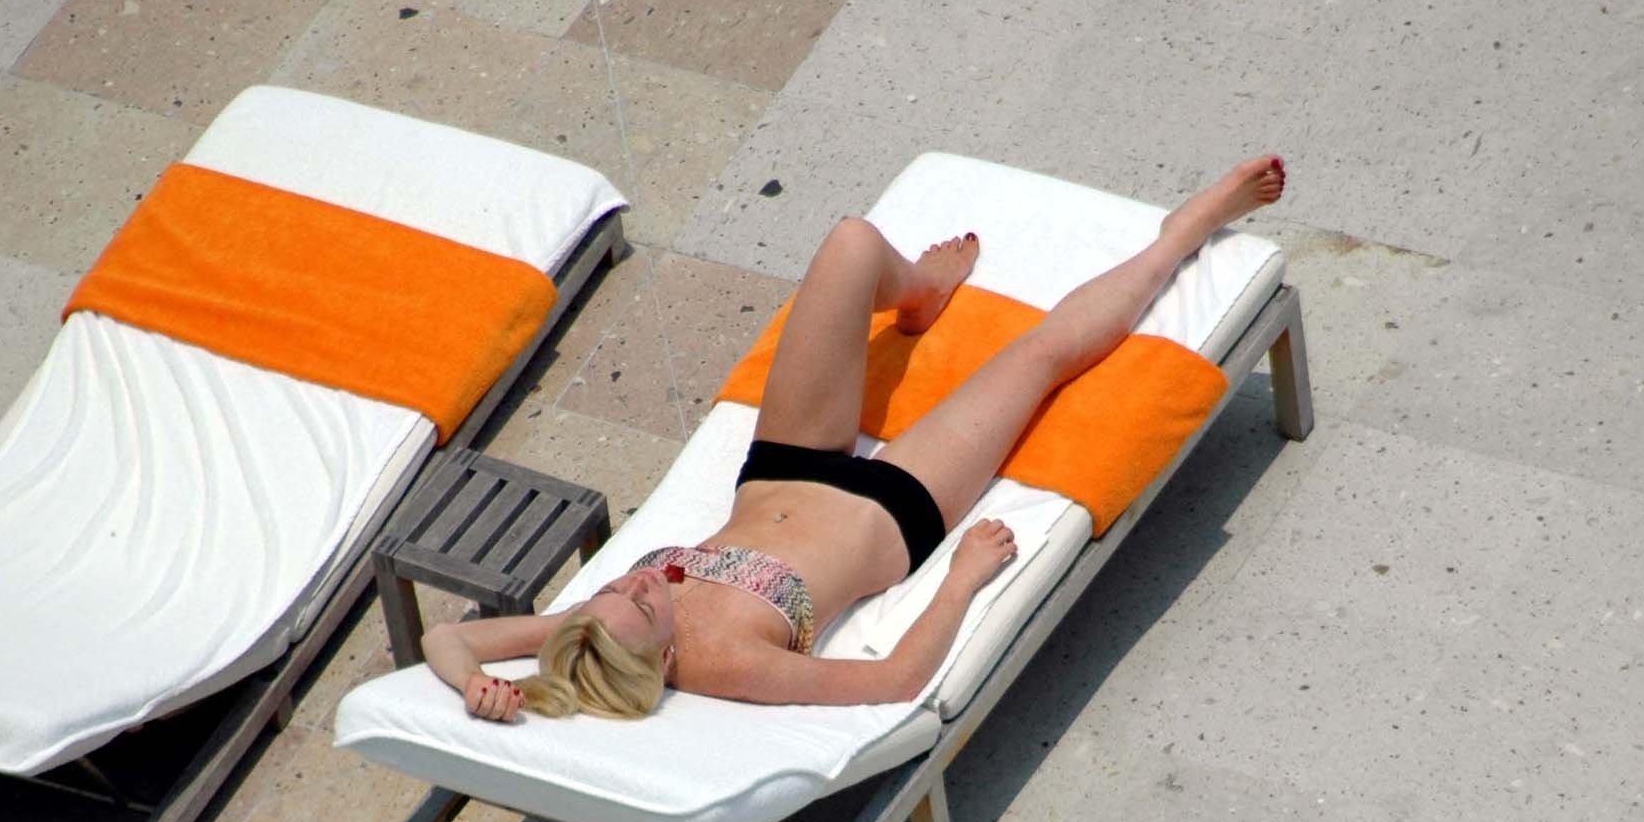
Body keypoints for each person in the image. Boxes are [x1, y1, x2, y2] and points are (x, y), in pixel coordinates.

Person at [424, 155, 1286, 720]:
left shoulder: (593, 622)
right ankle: (1184, 234)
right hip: (893, 507)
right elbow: (890, 682)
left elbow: (446, 640)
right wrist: (961, 579)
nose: (644, 581)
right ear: (655, 661)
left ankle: (917, 292)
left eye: (627, 583)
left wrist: (476, 684)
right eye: (646, 603)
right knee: (1040, 356)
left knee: (850, 244)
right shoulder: (726, 663)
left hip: (781, 469)